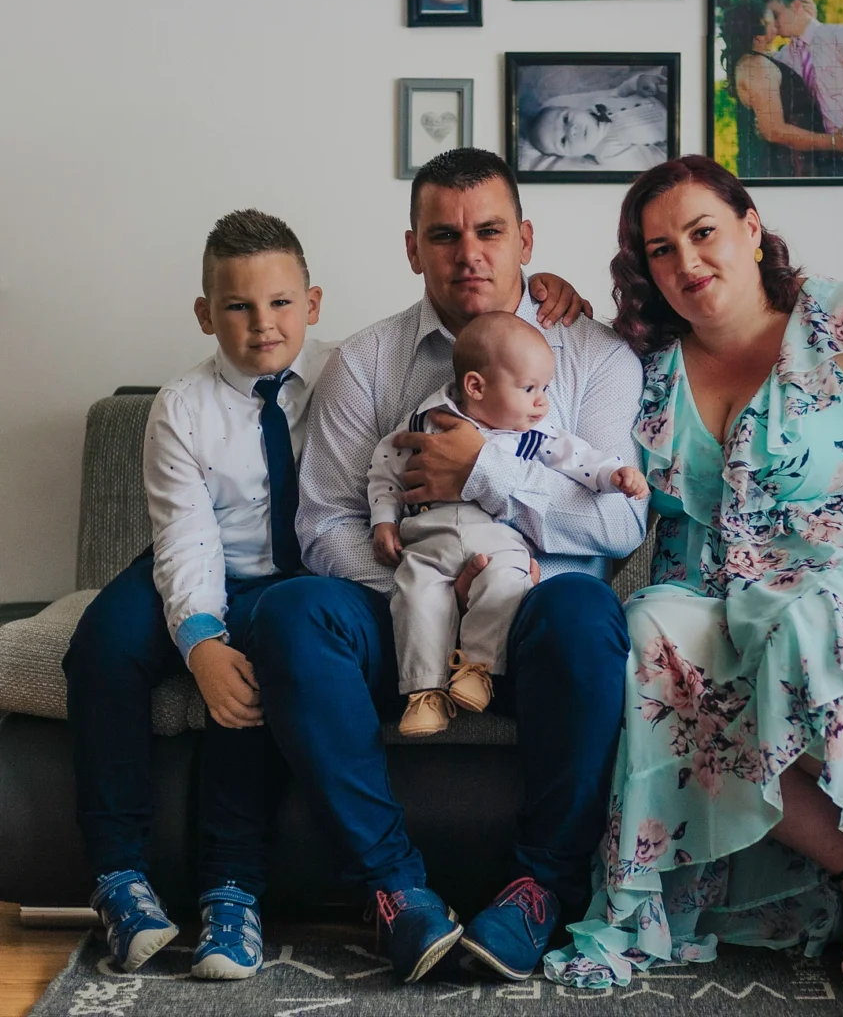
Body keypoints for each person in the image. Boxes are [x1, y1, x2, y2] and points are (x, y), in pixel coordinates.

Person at [545, 155, 843, 994]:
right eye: (661, 250)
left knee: (803, 622)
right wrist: (543, 290)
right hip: (711, 590)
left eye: (704, 232)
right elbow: (522, 386)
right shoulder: (642, 368)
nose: (688, 262)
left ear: (750, 228)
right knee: (649, 633)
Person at [246, 149, 647, 985]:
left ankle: (540, 887)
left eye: (490, 231)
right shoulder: (368, 362)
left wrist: (484, 481)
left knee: (586, 615)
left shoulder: (594, 360)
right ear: (412, 248)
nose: (470, 253)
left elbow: (616, 522)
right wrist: (425, 584)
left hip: (529, 607)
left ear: (524, 236)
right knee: (292, 614)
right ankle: (394, 889)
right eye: (444, 234)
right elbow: (324, 523)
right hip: (406, 605)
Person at [63, 209, 332, 980]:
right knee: (101, 646)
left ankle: (230, 892)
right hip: (198, 558)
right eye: (238, 306)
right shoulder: (180, 407)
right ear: (205, 312)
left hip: (294, 581)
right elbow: (187, 539)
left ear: (311, 303)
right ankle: (120, 880)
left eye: (281, 302)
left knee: (259, 663)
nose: (262, 325)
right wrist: (200, 638)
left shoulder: (350, 378)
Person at [368, 311, 649, 738]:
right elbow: (385, 470)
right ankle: (424, 693)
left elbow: (579, 459)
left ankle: (478, 671)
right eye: (530, 389)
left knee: (508, 585)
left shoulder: (533, 435)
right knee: (416, 598)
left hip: (498, 539)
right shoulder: (424, 422)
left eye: (546, 388)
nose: (543, 402)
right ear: (476, 386)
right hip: (427, 538)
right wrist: (384, 521)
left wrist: (615, 475)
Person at [719, 0, 843, 180]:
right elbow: (774, 130)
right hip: (790, 164)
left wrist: (808, 20)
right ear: (758, 36)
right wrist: (835, 142)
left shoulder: (761, 61)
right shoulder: (756, 66)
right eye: (770, 21)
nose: (776, 25)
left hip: (800, 159)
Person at [763, 0, 843, 174]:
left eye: (775, 14)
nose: (772, 22)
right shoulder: (782, 59)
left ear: (797, 6)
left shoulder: (842, 37)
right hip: (825, 158)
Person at [526, 70, 669, 171]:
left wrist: (638, 82)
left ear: (572, 108)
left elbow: (621, 91)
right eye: (563, 141)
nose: (572, 130)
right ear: (571, 156)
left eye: (565, 119)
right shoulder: (608, 153)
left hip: (660, 91)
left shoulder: (595, 103)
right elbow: (653, 160)